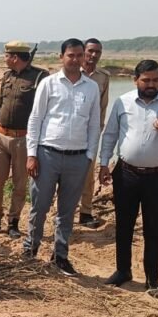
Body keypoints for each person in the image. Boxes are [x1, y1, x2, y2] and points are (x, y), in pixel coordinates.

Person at [99, 60, 158, 297]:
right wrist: (104, 163)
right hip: (126, 174)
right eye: (146, 80)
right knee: (124, 225)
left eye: (156, 80)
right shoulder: (123, 102)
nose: (151, 84)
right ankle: (123, 271)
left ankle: (152, 278)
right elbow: (110, 134)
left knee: (154, 228)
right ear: (136, 80)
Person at [23, 38, 101, 275]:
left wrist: (89, 156)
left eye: (79, 55)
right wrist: (32, 154)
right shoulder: (49, 84)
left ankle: (60, 256)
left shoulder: (91, 87)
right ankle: (30, 249)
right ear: (61, 57)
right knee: (39, 206)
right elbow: (35, 119)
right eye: (71, 55)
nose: (75, 60)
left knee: (67, 212)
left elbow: (94, 124)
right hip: (47, 155)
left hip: (78, 159)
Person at [0, 41, 49, 238]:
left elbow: (44, 111)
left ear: (14, 57)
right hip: (0, 135)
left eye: (6, 55)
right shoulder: (7, 76)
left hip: (24, 138)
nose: (4, 59)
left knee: (20, 183)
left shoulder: (40, 77)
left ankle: (13, 221)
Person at [79, 38, 111, 228]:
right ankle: (62, 210)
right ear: (83, 51)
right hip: (71, 132)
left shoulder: (103, 77)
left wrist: (98, 130)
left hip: (91, 133)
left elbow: (103, 106)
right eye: (90, 51)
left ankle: (85, 211)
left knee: (88, 173)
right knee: (65, 172)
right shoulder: (73, 73)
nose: (93, 55)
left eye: (97, 52)